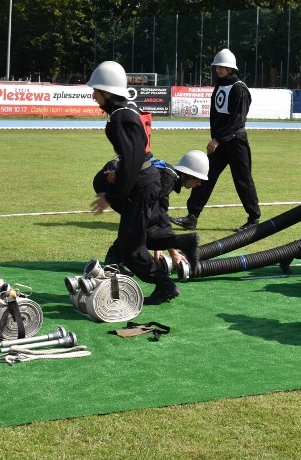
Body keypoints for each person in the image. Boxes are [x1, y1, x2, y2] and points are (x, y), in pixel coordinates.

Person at [87, 60, 179, 305]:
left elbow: (134, 157)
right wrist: (119, 173)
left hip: (142, 185)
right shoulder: (126, 110)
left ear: (107, 92)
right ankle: (111, 280)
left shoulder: (121, 117)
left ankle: (165, 285)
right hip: (143, 181)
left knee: (133, 245)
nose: (92, 94)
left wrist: (113, 194)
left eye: (95, 90)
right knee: (128, 238)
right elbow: (134, 155)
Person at [171, 48, 260, 232]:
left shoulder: (240, 88)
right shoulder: (220, 86)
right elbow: (215, 115)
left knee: (242, 180)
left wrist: (217, 139)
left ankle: (253, 220)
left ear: (231, 69)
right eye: (217, 66)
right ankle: (192, 217)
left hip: (236, 142)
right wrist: (216, 137)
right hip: (220, 142)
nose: (219, 70)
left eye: (222, 67)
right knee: (204, 176)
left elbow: (237, 120)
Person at [95, 150, 209, 277]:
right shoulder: (168, 180)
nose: (199, 184)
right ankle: (113, 263)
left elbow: (156, 214)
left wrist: (159, 247)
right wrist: (173, 253)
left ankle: (118, 261)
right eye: (199, 180)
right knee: (138, 223)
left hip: (111, 177)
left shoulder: (168, 174)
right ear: (188, 174)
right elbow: (160, 215)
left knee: (139, 223)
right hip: (109, 181)